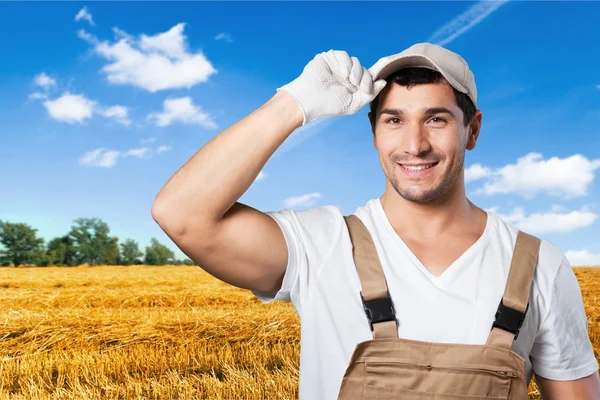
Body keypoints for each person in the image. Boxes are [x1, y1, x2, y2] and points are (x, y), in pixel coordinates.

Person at [151, 42, 600, 399]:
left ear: (473, 130)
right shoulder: (321, 246)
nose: (414, 144)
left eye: (436, 119)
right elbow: (181, 214)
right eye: (394, 120)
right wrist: (294, 104)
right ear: (374, 133)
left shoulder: (540, 265)